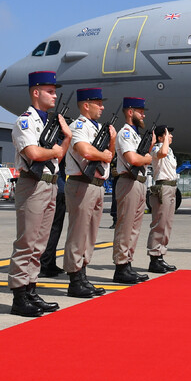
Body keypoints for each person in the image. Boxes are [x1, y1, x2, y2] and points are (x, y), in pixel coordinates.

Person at [8, 70, 72, 317]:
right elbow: (33, 153)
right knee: (26, 242)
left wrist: (65, 138)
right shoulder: (25, 121)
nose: (55, 95)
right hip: (32, 184)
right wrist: (55, 150)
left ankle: (31, 290)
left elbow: (58, 156)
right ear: (36, 93)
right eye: (50, 91)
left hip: (50, 183)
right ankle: (19, 295)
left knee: (40, 243)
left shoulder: (48, 123)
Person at [63, 87, 115, 297]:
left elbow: (109, 156)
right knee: (78, 233)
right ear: (86, 105)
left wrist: (110, 143)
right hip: (81, 183)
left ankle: (82, 274)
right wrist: (103, 153)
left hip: (97, 184)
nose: (102, 107)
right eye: (98, 103)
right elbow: (84, 150)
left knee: (90, 233)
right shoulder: (78, 126)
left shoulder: (98, 128)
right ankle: (75, 279)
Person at [111, 97, 152, 284]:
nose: (143, 115)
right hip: (129, 181)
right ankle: (120, 266)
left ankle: (127, 263)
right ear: (130, 112)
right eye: (140, 111)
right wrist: (148, 158)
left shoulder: (136, 134)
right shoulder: (126, 133)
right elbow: (132, 159)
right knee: (125, 226)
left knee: (134, 227)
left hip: (139, 182)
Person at [147, 125, 177, 273]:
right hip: (162, 188)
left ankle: (160, 255)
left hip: (171, 187)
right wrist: (161, 139)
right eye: (168, 134)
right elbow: (162, 153)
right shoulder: (156, 149)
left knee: (167, 224)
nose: (171, 137)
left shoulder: (170, 150)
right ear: (160, 138)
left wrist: (165, 138)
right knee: (159, 223)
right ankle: (154, 257)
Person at [38, 164, 67, 277]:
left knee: (53, 228)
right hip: (56, 184)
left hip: (57, 184)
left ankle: (49, 262)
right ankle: (45, 263)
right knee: (52, 228)